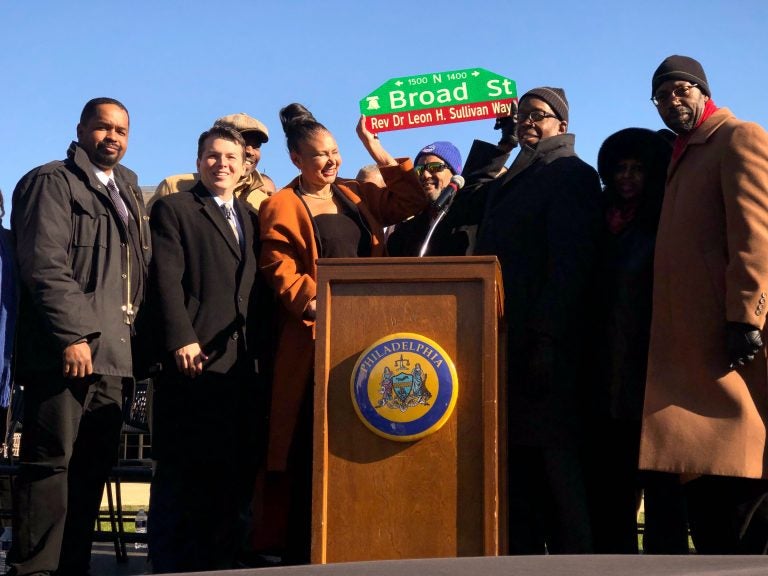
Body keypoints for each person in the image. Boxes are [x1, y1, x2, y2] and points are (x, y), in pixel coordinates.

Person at [254, 103, 426, 563]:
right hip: (312, 341)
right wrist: (310, 299)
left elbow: (412, 201)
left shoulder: (356, 195)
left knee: (362, 435)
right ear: (295, 160)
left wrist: (375, 145)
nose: (332, 162)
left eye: (336, 152)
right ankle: (299, 546)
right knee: (309, 441)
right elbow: (279, 266)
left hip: (368, 338)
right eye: (320, 156)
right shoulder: (281, 204)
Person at [9, 97, 151, 576]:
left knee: (91, 473)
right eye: (102, 127)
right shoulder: (51, 182)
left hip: (115, 356)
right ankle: (34, 570)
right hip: (65, 355)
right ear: (81, 129)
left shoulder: (127, 190)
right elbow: (44, 265)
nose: (112, 137)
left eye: (121, 130)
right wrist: (72, 336)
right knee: (49, 469)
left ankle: (72, 568)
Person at [640, 55, 768, 554]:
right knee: (706, 479)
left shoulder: (738, 137)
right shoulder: (681, 153)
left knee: (738, 466)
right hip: (690, 340)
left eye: (680, 89)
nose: (672, 101)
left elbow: (755, 234)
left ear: (701, 89)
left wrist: (745, 315)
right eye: (661, 95)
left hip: (727, 336)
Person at [470, 87, 603, 554]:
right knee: (522, 469)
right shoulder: (517, 176)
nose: (527, 121)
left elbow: (571, 264)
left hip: (547, 346)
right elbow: (472, 196)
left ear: (561, 126)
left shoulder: (569, 172)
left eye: (539, 115)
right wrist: (502, 144)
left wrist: (547, 338)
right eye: (521, 114)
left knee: (557, 467)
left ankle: (580, 563)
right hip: (509, 340)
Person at [146, 125, 267, 572]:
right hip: (192, 362)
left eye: (231, 158)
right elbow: (165, 282)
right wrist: (181, 336)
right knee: (182, 474)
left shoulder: (252, 220)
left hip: (238, 367)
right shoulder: (174, 209)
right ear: (199, 161)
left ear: (244, 166)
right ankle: (167, 564)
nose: (222, 164)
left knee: (229, 475)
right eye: (213, 156)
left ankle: (219, 561)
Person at [584, 128, 688, 554]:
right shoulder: (597, 221)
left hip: (652, 374)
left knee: (663, 493)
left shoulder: (665, 222)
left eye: (637, 169)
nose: (627, 177)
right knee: (611, 496)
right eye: (620, 168)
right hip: (603, 374)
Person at [148, 112, 270, 212]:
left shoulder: (263, 203)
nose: (250, 151)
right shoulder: (174, 187)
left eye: (256, 146)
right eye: (243, 143)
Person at [386, 141, 462, 257]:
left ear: (454, 174)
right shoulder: (404, 233)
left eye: (434, 167)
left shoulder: (468, 219)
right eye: (419, 170)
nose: (425, 175)